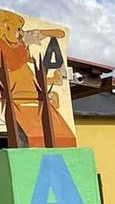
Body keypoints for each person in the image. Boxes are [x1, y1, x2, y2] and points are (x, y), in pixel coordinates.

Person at [0, 9, 74, 147]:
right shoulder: (7, 57)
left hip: (34, 104)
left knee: (60, 136)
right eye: (18, 29)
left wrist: (52, 80)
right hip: (20, 105)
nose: (20, 33)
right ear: (6, 28)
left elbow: (56, 33)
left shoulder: (20, 50)